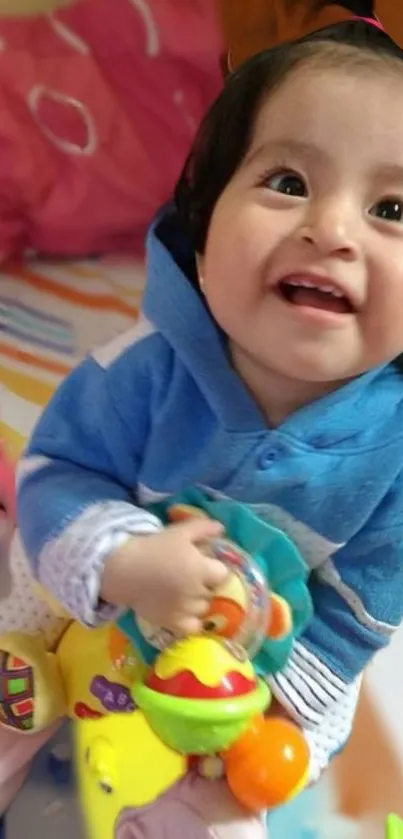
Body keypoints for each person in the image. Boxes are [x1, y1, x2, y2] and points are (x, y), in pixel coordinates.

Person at [17, 17, 403, 788]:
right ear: (201, 226)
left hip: (264, 646)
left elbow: (367, 591)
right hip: (95, 590)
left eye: (390, 210)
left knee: (265, 770)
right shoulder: (141, 371)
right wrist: (123, 558)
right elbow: (55, 471)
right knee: (24, 599)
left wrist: (277, 701)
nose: (330, 231)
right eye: (287, 182)